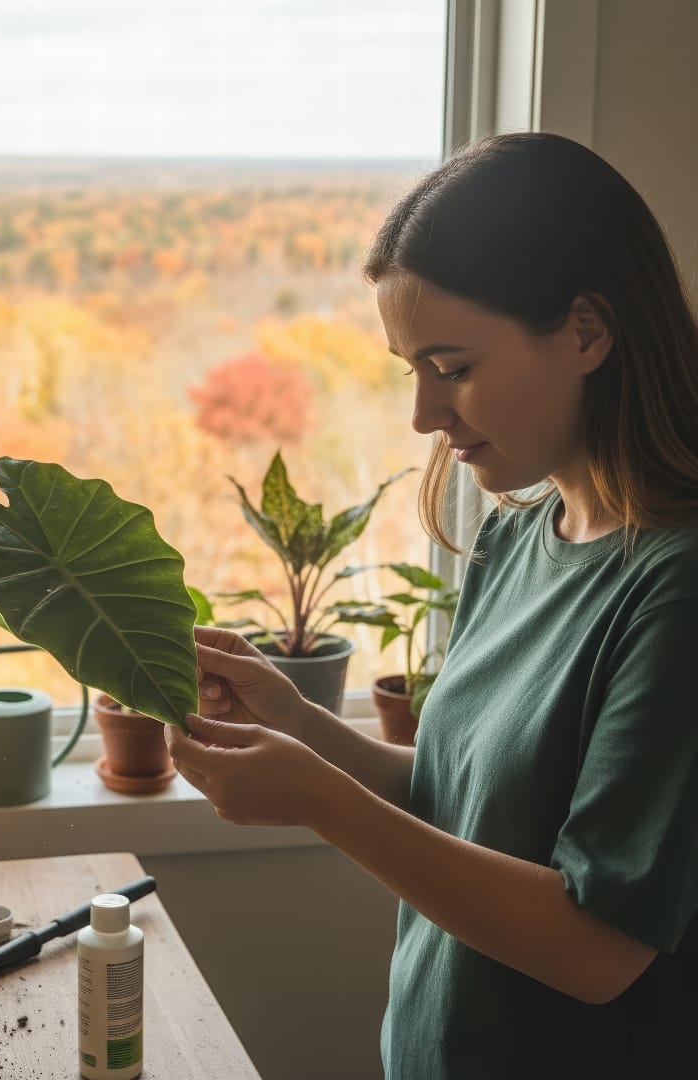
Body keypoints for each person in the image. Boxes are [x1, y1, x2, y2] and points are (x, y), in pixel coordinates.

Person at [166, 132, 698, 1079]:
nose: (424, 414)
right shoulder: (515, 537)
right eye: (409, 369)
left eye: (451, 367)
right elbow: (471, 800)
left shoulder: (674, 588)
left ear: (586, 331)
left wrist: (318, 800)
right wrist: (300, 726)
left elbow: (599, 949)